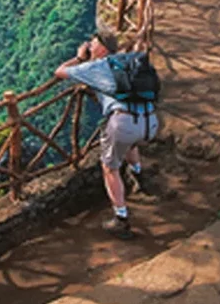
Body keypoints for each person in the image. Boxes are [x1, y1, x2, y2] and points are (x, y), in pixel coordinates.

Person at [54, 29, 160, 239]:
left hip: (123, 123)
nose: (89, 47)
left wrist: (79, 57)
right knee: (130, 144)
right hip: (150, 121)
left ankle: (121, 219)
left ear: (101, 48)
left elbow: (60, 72)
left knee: (110, 168)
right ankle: (140, 176)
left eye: (92, 44)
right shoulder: (129, 61)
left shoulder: (95, 66)